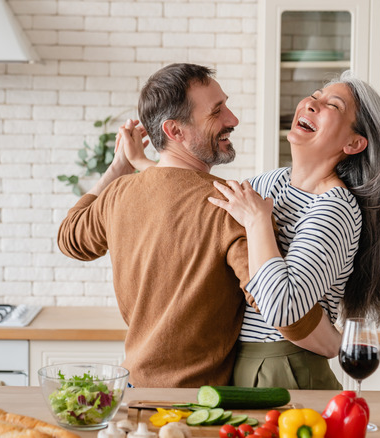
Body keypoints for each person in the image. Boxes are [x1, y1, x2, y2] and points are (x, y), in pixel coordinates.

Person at [57, 63, 331, 388]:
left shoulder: (119, 194)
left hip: (132, 391)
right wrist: (340, 344)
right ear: (175, 131)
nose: (233, 119)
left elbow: (69, 238)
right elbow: (282, 310)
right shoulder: (230, 206)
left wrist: (118, 167)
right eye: (217, 112)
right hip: (195, 406)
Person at [203, 70, 380, 388]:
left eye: (333, 105)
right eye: (315, 96)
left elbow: (283, 309)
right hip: (238, 363)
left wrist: (259, 222)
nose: (311, 104)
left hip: (286, 369)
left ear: (354, 142)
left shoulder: (335, 208)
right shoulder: (267, 183)